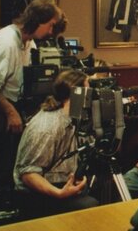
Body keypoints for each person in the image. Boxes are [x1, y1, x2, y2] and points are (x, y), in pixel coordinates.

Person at [0, 0, 63, 211]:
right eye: (50, 25)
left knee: (9, 172)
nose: (51, 32)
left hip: (10, 108)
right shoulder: (5, 42)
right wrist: (12, 113)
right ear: (38, 20)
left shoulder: (28, 42)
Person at [13, 69, 99, 218]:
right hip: (36, 196)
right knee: (90, 205)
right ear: (77, 94)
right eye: (88, 91)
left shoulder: (71, 119)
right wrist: (59, 194)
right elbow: (28, 174)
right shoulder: (47, 127)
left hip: (59, 183)